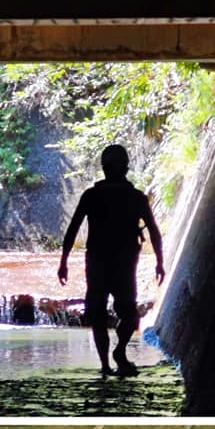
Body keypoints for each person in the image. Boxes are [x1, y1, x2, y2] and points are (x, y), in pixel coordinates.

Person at [58, 144, 165, 377]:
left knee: (97, 313)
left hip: (97, 262)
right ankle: (119, 352)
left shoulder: (91, 196)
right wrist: (159, 261)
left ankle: (105, 365)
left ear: (103, 168)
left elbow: (73, 229)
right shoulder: (136, 198)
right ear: (126, 167)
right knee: (128, 314)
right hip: (124, 263)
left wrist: (64, 261)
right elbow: (154, 232)